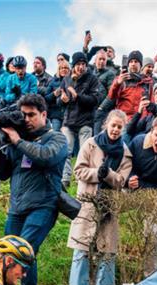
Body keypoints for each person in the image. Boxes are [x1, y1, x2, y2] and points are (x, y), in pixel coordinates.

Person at [0, 94, 68, 285]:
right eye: (23, 114)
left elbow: (46, 157)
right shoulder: (18, 141)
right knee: (8, 253)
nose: (26, 119)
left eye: (32, 115)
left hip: (44, 205)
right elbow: (2, 173)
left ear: (44, 115)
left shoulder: (57, 138)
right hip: (17, 207)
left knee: (24, 250)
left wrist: (17, 140)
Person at [68, 110, 132, 285]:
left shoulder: (126, 153)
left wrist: (109, 174)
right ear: (106, 125)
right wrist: (98, 173)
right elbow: (78, 170)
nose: (115, 129)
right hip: (89, 201)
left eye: (119, 127)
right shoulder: (91, 144)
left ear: (123, 128)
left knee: (108, 248)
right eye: (113, 125)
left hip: (110, 204)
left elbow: (122, 181)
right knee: (82, 245)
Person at [60, 51, 104, 188]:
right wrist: (62, 100)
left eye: (83, 64)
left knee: (84, 153)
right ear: (73, 65)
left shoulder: (92, 79)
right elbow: (59, 101)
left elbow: (95, 100)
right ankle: (65, 179)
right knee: (65, 151)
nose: (81, 67)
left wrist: (77, 96)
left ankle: (82, 178)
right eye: (78, 64)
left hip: (85, 121)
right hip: (68, 121)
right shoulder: (66, 79)